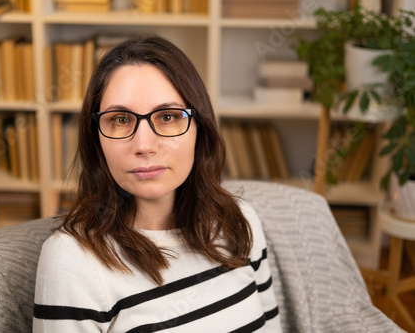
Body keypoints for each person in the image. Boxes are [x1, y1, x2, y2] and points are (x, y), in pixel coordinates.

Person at [33, 36, 281, 332]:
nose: (144, 145)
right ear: (96, 138)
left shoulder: (240, 221)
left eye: (167, 116)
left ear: (199, 129)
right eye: (121, 119)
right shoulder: (72, 260)